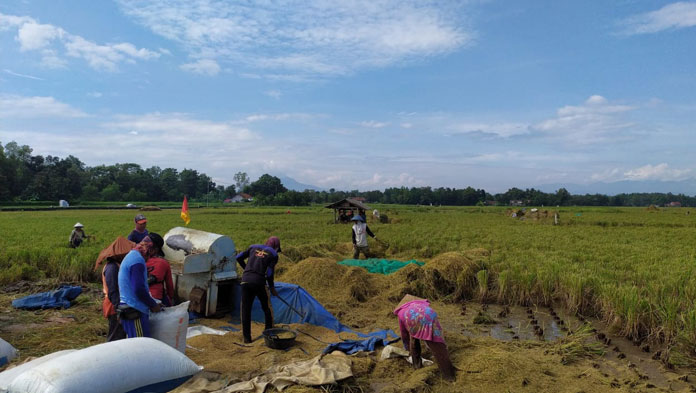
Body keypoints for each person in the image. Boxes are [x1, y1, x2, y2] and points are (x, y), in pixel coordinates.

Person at [393, 294, 455, 381]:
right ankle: (449, 375)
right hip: (430, 314)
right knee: (437, 346)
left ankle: (417, 366)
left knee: (413, 342)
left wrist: (407, 348)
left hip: (412, 320)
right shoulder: (421, 304)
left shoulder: (401, 312)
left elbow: (404, 334)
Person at [235, 236, 282, 343]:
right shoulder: (273, 255)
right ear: (276, 247)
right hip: (259, 282)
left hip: (245, 281)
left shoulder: (253, 247)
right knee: (266, 307)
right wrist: (272, 288)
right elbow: (269, 273)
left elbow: (238, 257)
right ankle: (269, 332)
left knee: (246, 310)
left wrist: (247, 269)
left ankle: (247, 338)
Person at [118, 236, 162, 338]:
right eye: (154, 252)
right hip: (134, 311)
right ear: (151, 248)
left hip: (130, 307)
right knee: (140, 347)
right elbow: (138, 289)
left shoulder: (133, 256)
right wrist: (153, 305)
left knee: (135, 345)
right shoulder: (137, 261)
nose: (152, 256)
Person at [145, 233, 174, 306]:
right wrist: (171, 299)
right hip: (157, 299)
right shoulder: (164, 263)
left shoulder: (139, 259)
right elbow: (169, 286)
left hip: (140, 297)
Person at [102, 256, 127, 341]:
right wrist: (118, 308)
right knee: (115, 336)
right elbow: (112, 290)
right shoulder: (112, 267)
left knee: (118, 334)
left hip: (114, 304)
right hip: (113, 305)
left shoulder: (115, 265)